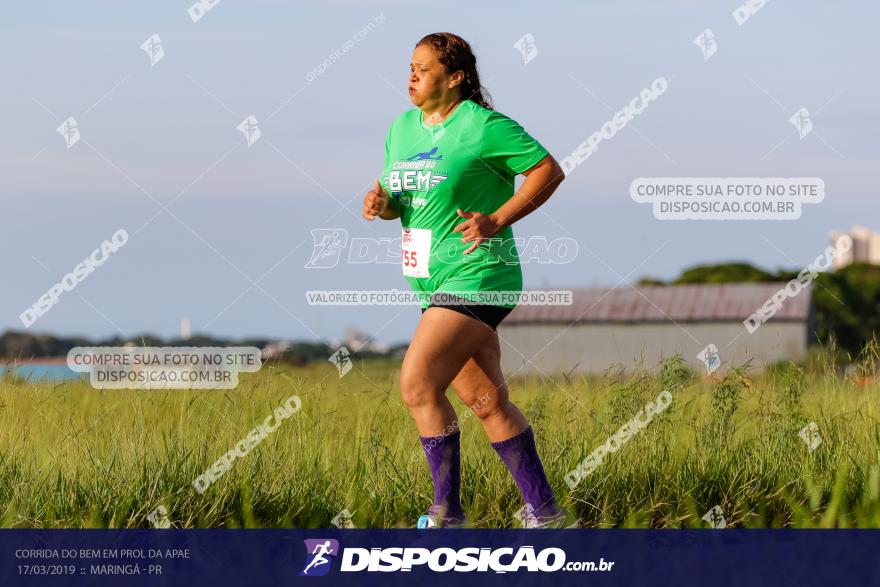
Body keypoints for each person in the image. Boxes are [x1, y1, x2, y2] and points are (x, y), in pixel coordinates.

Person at [363, 32, 568, 528]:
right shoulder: (402, 130)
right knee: (487, 402)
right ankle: (547, 515)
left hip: (480, 274)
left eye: (424, 68)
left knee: (416, 383)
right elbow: (403, 201)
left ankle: (447, 515)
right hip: (431, 284)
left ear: (455, 78)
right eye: (410, 66)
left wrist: (497, 219)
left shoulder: (483, 126)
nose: (411, 75)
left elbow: (548, 171)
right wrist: (383, 206)